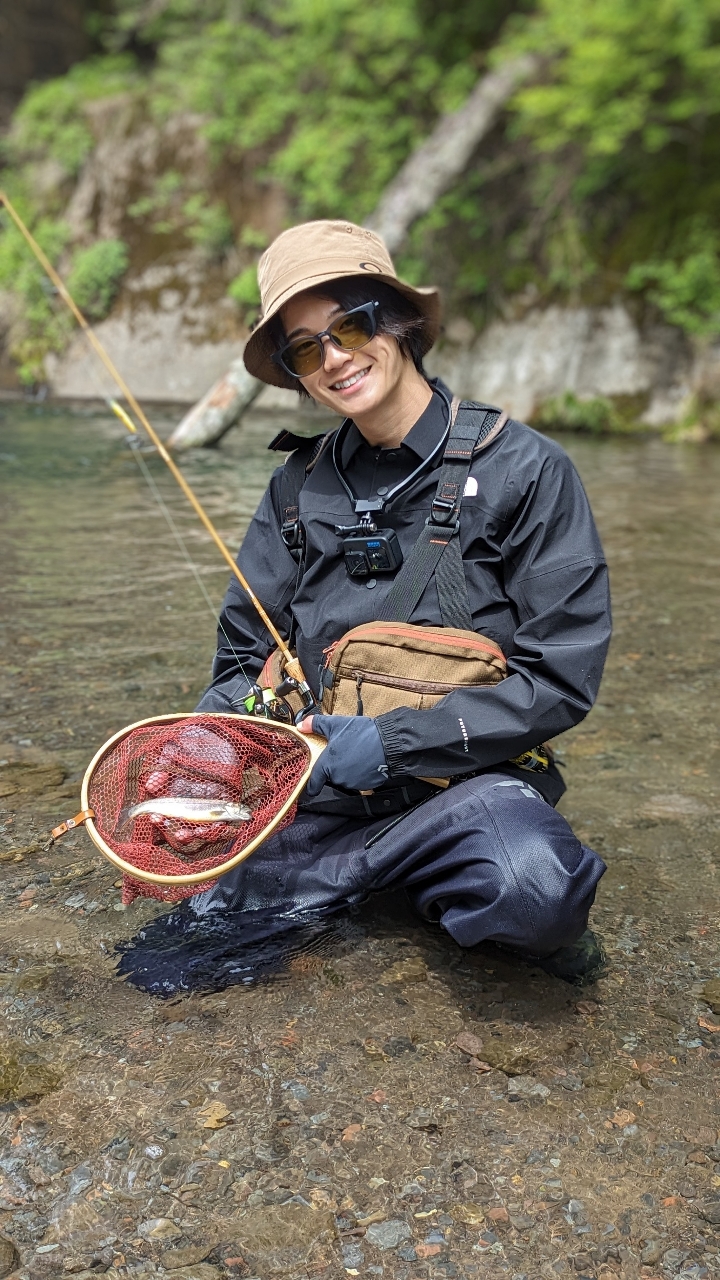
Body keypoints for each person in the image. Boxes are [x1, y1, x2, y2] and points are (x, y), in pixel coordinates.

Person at [193, 219, 611, 985]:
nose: (337, 358)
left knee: (537, 893)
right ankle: (392, 894)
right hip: (317, 799)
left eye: (352, 325)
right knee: (171, 958)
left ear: (399, 319)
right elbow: (239, 659)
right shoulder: (294, 488)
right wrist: (217, 750)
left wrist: (389, 746)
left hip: (464, 793)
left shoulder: (526, 470)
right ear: (293, 371)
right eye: (306, 348)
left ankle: (424, 887)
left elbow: (559, 679)